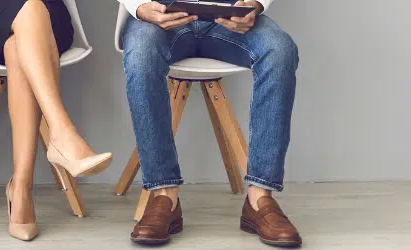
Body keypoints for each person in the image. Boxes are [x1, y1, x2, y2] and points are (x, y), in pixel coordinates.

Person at [117, 0, 301, 247]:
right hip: (161, 16)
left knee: (279, 50)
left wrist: (255, 5)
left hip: (227, 18)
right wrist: (138, 6)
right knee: (141, 54)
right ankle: (164, 195)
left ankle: (260, 199)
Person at [0, 0, 113, 241]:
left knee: (20, 40)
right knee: (27, 16)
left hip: (46, 15)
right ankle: (62, 133)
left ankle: (21, 187)